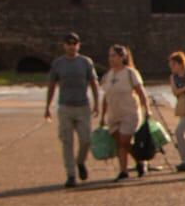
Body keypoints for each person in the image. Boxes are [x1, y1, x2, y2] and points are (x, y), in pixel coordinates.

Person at [44, 32, 101, 188]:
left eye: (74, 43)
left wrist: (97, 103)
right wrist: (47, 107)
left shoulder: (85, 62)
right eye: (69, 43)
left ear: (78, 45)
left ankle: (80, 162)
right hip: (65, 107)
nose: (71, 46)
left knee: (86, 139)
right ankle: (70, 174)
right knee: (66, 142)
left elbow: (94, 83)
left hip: (83, 106)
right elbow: (51, 86)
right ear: (64, 45)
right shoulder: (58, 63)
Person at [99, 44, 152, 180]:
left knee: (124, 140)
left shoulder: (130, 73)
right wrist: (102, 115)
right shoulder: (108, 75)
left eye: (114, 56)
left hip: (130, 113)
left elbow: (141, 92)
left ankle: (128, 168)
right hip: (113, 114)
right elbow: (106, 97)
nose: (111, 59)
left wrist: (147, 109)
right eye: (110, 56)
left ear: (122, 57)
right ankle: (131, 167)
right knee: (121, 143)